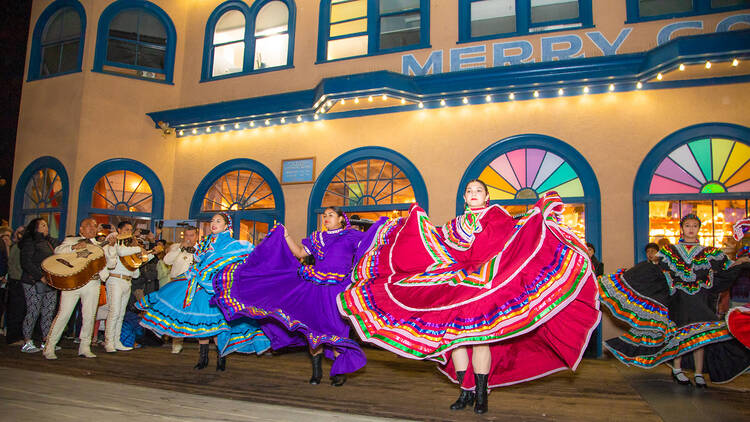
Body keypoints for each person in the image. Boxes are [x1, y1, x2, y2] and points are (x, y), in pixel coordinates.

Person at [336, 181, 600, 414]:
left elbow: (507, 241)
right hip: (457, 283)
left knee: (481, 337)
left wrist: (537, 215)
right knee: (456, 341)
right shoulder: (455, 224)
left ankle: (482, 394)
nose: (473, 194)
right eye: (469, 191)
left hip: (487, 281)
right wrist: (415, 222)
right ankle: (465, 391)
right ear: (464, 198)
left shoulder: (497, 215)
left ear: (487, 197)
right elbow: (440, 244)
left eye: (478, 191)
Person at [212, 207, 368, 386]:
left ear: (341, 218)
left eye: (330, 215)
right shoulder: (318, 237)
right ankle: (316, 371)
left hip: (338, 290)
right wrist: (285, 235)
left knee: (338, 328)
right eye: (324, 215)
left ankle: (338, 372)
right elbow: (300, 253)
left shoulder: (352, 236)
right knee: (313, 328)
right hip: (316, 288)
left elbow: (372, 247)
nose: (326, 218)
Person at [598, 215, 750, 387]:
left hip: (700, 298)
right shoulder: (669, 251)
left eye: (694, 225)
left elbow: (727, 267)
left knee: (700, 335)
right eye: (687, 225)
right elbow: (656, 266)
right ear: (681, 229)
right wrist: (651, 265)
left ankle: (699, 373)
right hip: (678, 298)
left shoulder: (710, 253)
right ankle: (677, 369)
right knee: (678, 332)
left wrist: (741, 261)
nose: (691, 229)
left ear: (699, 228)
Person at [136, 213, 270, 370]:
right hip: (200, 286)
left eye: (218, 221)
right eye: (212, 220)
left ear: (227, 225)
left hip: (219, 288)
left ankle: (221, 359)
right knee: (201, 324)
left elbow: (245, 260)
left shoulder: (233, 244)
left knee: (219, 326)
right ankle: (203, 358)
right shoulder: (206, 242)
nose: (214, 223)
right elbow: (199, 260)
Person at [43, 218, 117, 359]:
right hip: (72, 282)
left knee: (89, 316)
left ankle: (85, 347)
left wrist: (112, 247)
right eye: (88, 226)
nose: (92, 228)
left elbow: (112, 264)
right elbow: (58, 251)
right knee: (64, 314)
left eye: (94, 226)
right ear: (81, 229)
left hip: (93, 282)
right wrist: (73, 248)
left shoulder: (101, 244)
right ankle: (50, 346)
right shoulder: (72, 240)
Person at [104, 221, 148, 353]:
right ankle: (108, 342)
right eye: (126, 229)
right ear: (119, 230)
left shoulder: (129, 244)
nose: (128, 232)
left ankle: (117, 341)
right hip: (115, 279)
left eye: (130, 230)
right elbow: (121, 252)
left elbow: (135, 267)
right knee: (114, 312)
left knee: (121, 314)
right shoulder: (114, 239)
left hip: (127, 281)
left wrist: (144, 254)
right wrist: (140, 248)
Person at [19, 218, 60, 353]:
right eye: (43, 225)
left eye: (46, 225)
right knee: (33, 310)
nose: (46, 227)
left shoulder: (50, 242)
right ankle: (27, 341)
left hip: (50, 281)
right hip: (33, 281)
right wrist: (39, 276)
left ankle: (46, 340)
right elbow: (26, 262)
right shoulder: (30, 242)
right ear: (36, 228)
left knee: (48, 311)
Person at [161, 226, 199, 354]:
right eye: (186, 235)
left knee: (196, 314)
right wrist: (179, 248)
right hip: (177, 284)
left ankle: (202, 345)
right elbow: (167, 260)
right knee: (177, 314)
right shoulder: (176, 247)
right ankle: (176, 343)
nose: (189, 238)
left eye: (191, 235)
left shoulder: (201, 248)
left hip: (193, 285)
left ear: (197, 236)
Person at [5, 226, 26, 345]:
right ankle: (14, 337)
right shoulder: (18, 247)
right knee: (16, 310)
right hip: (17, 281)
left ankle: (16, 336)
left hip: (16, 280)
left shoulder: (17, 247)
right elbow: (13, 264)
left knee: (18, 310)